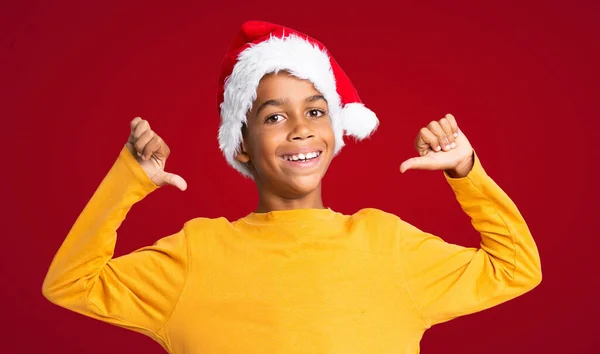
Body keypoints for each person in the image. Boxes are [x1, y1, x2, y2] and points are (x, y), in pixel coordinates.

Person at [42, 20, 542, 354]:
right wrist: (128, 180)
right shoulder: (197, 253)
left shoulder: (387, 244)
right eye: (274, 116)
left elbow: (516, 269)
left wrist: (465, 171)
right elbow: (71, 284)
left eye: (316, 111)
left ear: (334, 129)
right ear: (241, 145)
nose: (301, 128)